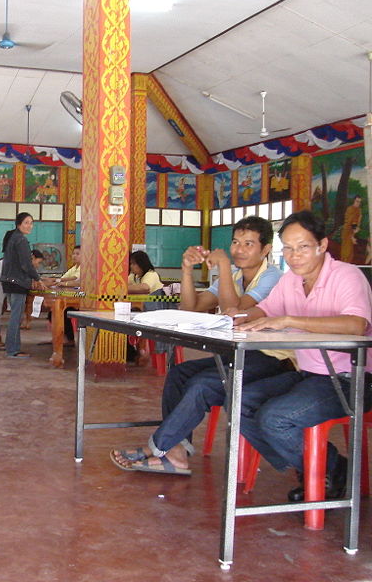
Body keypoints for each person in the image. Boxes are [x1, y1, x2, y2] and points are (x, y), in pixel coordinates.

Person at [111, 216, 292, 475]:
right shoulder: (237, 275)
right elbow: (190, 307)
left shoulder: (273, 277)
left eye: (248, 244)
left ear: (265, 250)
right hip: (239, 354)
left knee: (202, 384)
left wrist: (225, 269)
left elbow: (235, 312)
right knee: (178, 374)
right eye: (235, 242)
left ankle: (159, 447)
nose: (239, 249)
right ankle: (176, 453)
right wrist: (186, 270)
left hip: (272, 359)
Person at [237, 211, 372, 501]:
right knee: (239, 399)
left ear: (322, 245)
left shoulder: (347, 276)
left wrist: (290, 321)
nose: (294, 255)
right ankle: (319, 470)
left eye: (303, 247)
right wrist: (236, 319)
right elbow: (266, 310)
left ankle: (327, 472)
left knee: (275, 418)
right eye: (287, 248)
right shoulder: (290, 281)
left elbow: (356, 325)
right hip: (309, 375)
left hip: (351, 379)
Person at [0, 213, 47, 358]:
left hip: (9, 281)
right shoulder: (20, 240)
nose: (30, 226)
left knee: (15, 315)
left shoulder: (13, 237)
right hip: (17, 282)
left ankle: (12, 347)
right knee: (16, 316)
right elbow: (26, 264)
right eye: (26, 223)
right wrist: (37, 279)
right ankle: (13, 350)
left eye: (31, 223)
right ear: (19, 224)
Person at [0, 249, 43, 351]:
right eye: (38, 262)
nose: (37, 266)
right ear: (33, 258)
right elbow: (33, 283)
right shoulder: (21, 263)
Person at [47, 245, 81, 345]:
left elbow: (76, 280)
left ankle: (68, 339)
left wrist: (61, 283)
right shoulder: (74, 267)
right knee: (54, 312)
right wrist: (54, 280)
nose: (74, 256)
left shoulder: (85, 268)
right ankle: (61, 338)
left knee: (63, 312)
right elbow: (64, 278)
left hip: (82, 300)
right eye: (73, 253)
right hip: (70, 297)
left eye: (78, 254)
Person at [340, 195, 362, 262]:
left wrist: (356, 229)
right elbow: (350, 221)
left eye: (359, 202)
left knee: (351, 253)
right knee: (346, 251)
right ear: (354, 201)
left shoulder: (359, 210)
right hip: (347, 231)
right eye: (357, 201)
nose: (358, 203)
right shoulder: (350, 209)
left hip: (353, 232)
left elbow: (357, 221)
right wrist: (354, 229)